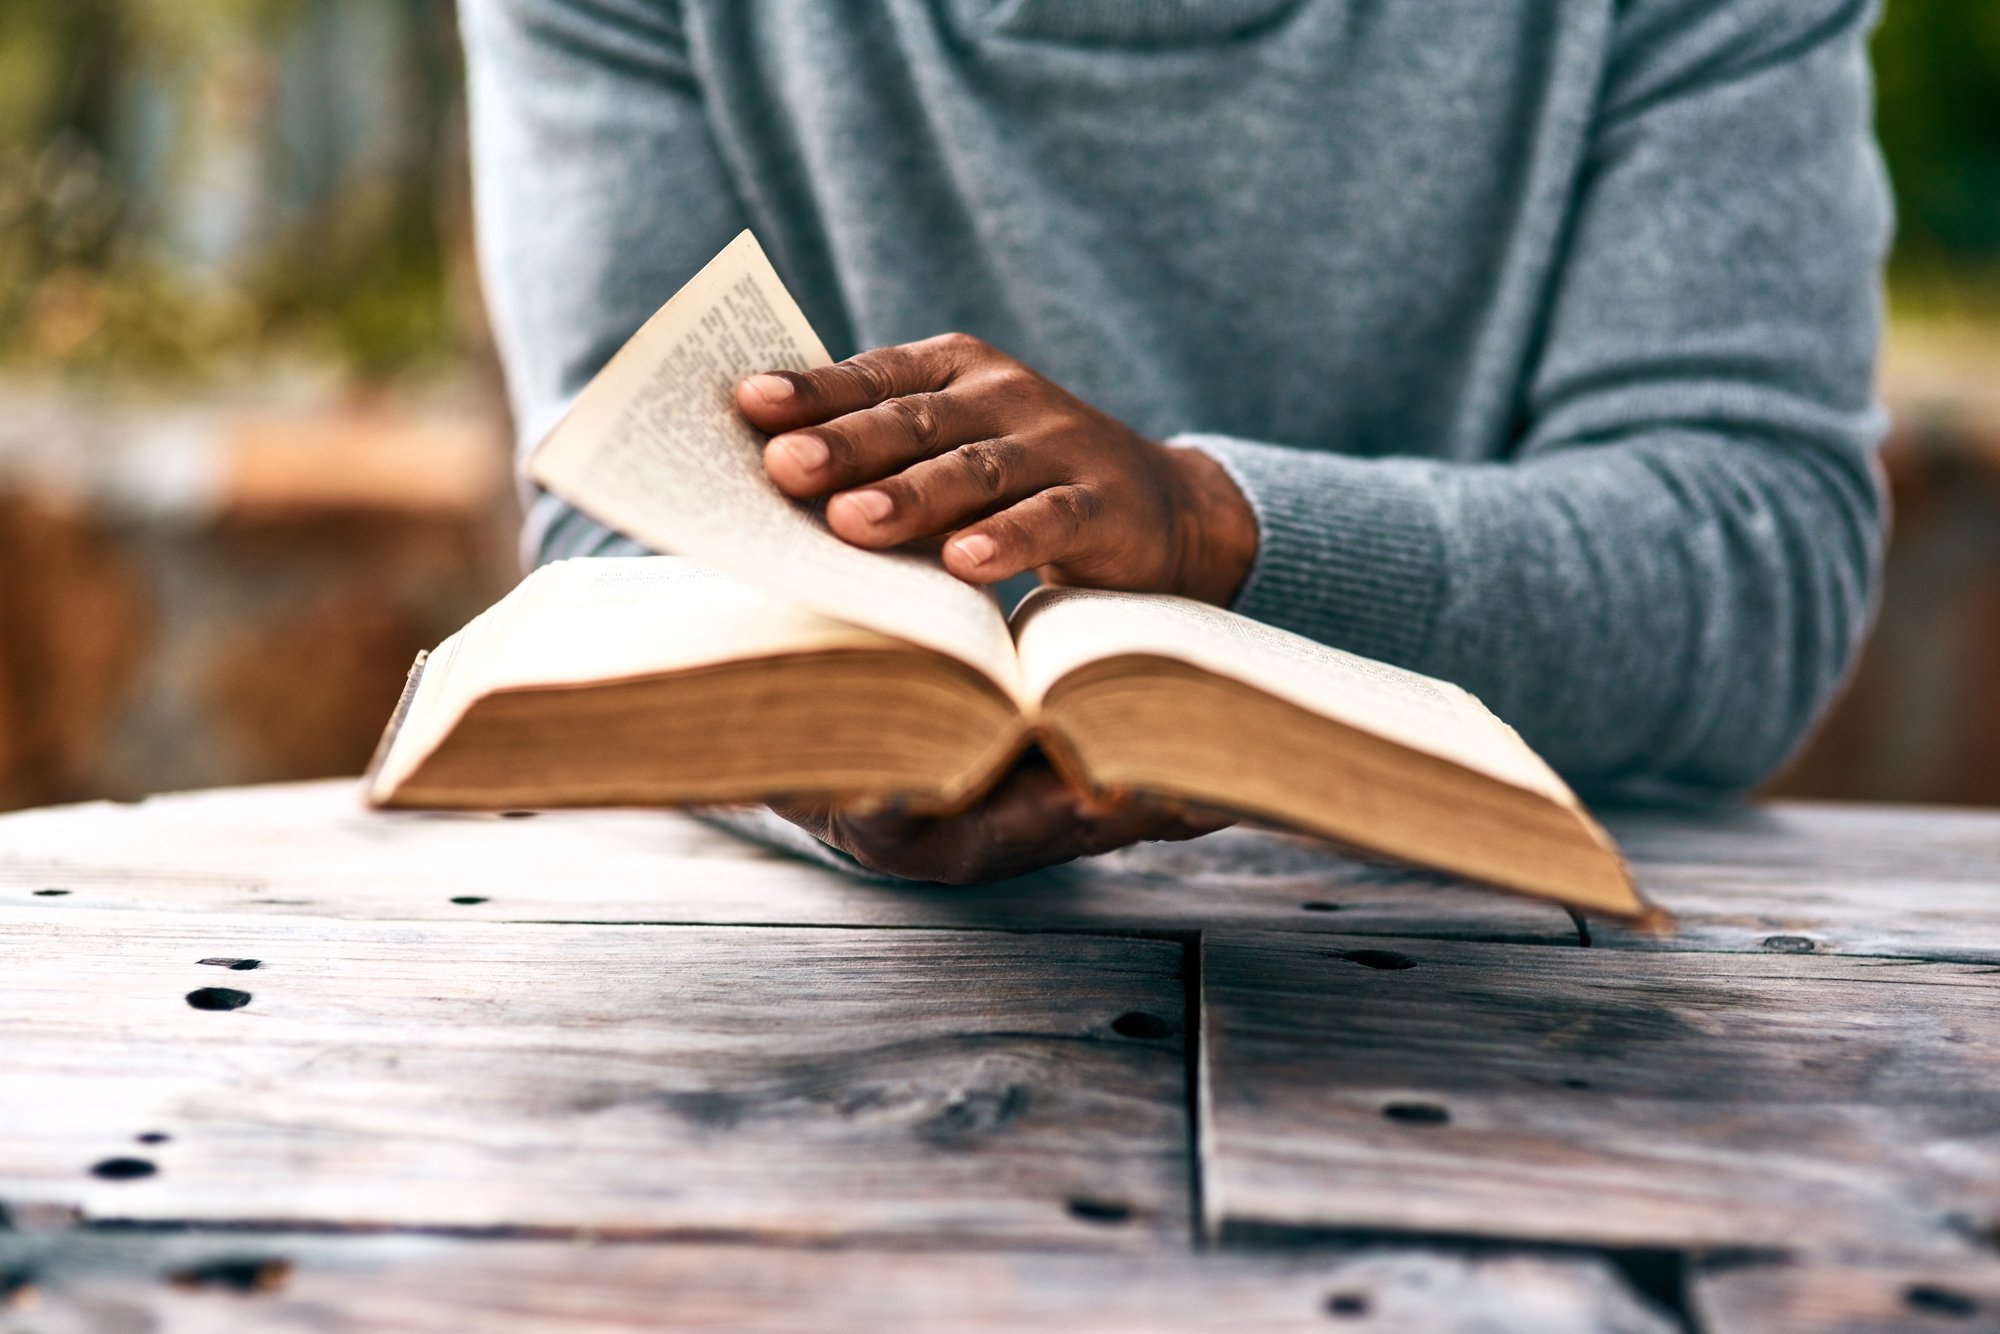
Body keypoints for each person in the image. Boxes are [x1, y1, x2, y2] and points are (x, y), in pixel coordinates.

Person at [460, 0, 1890, 882]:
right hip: (836, 1028)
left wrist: (1216, 526)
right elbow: (622, 528)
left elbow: (1751, 550)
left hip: (1527, 999)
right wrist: (814, 754)